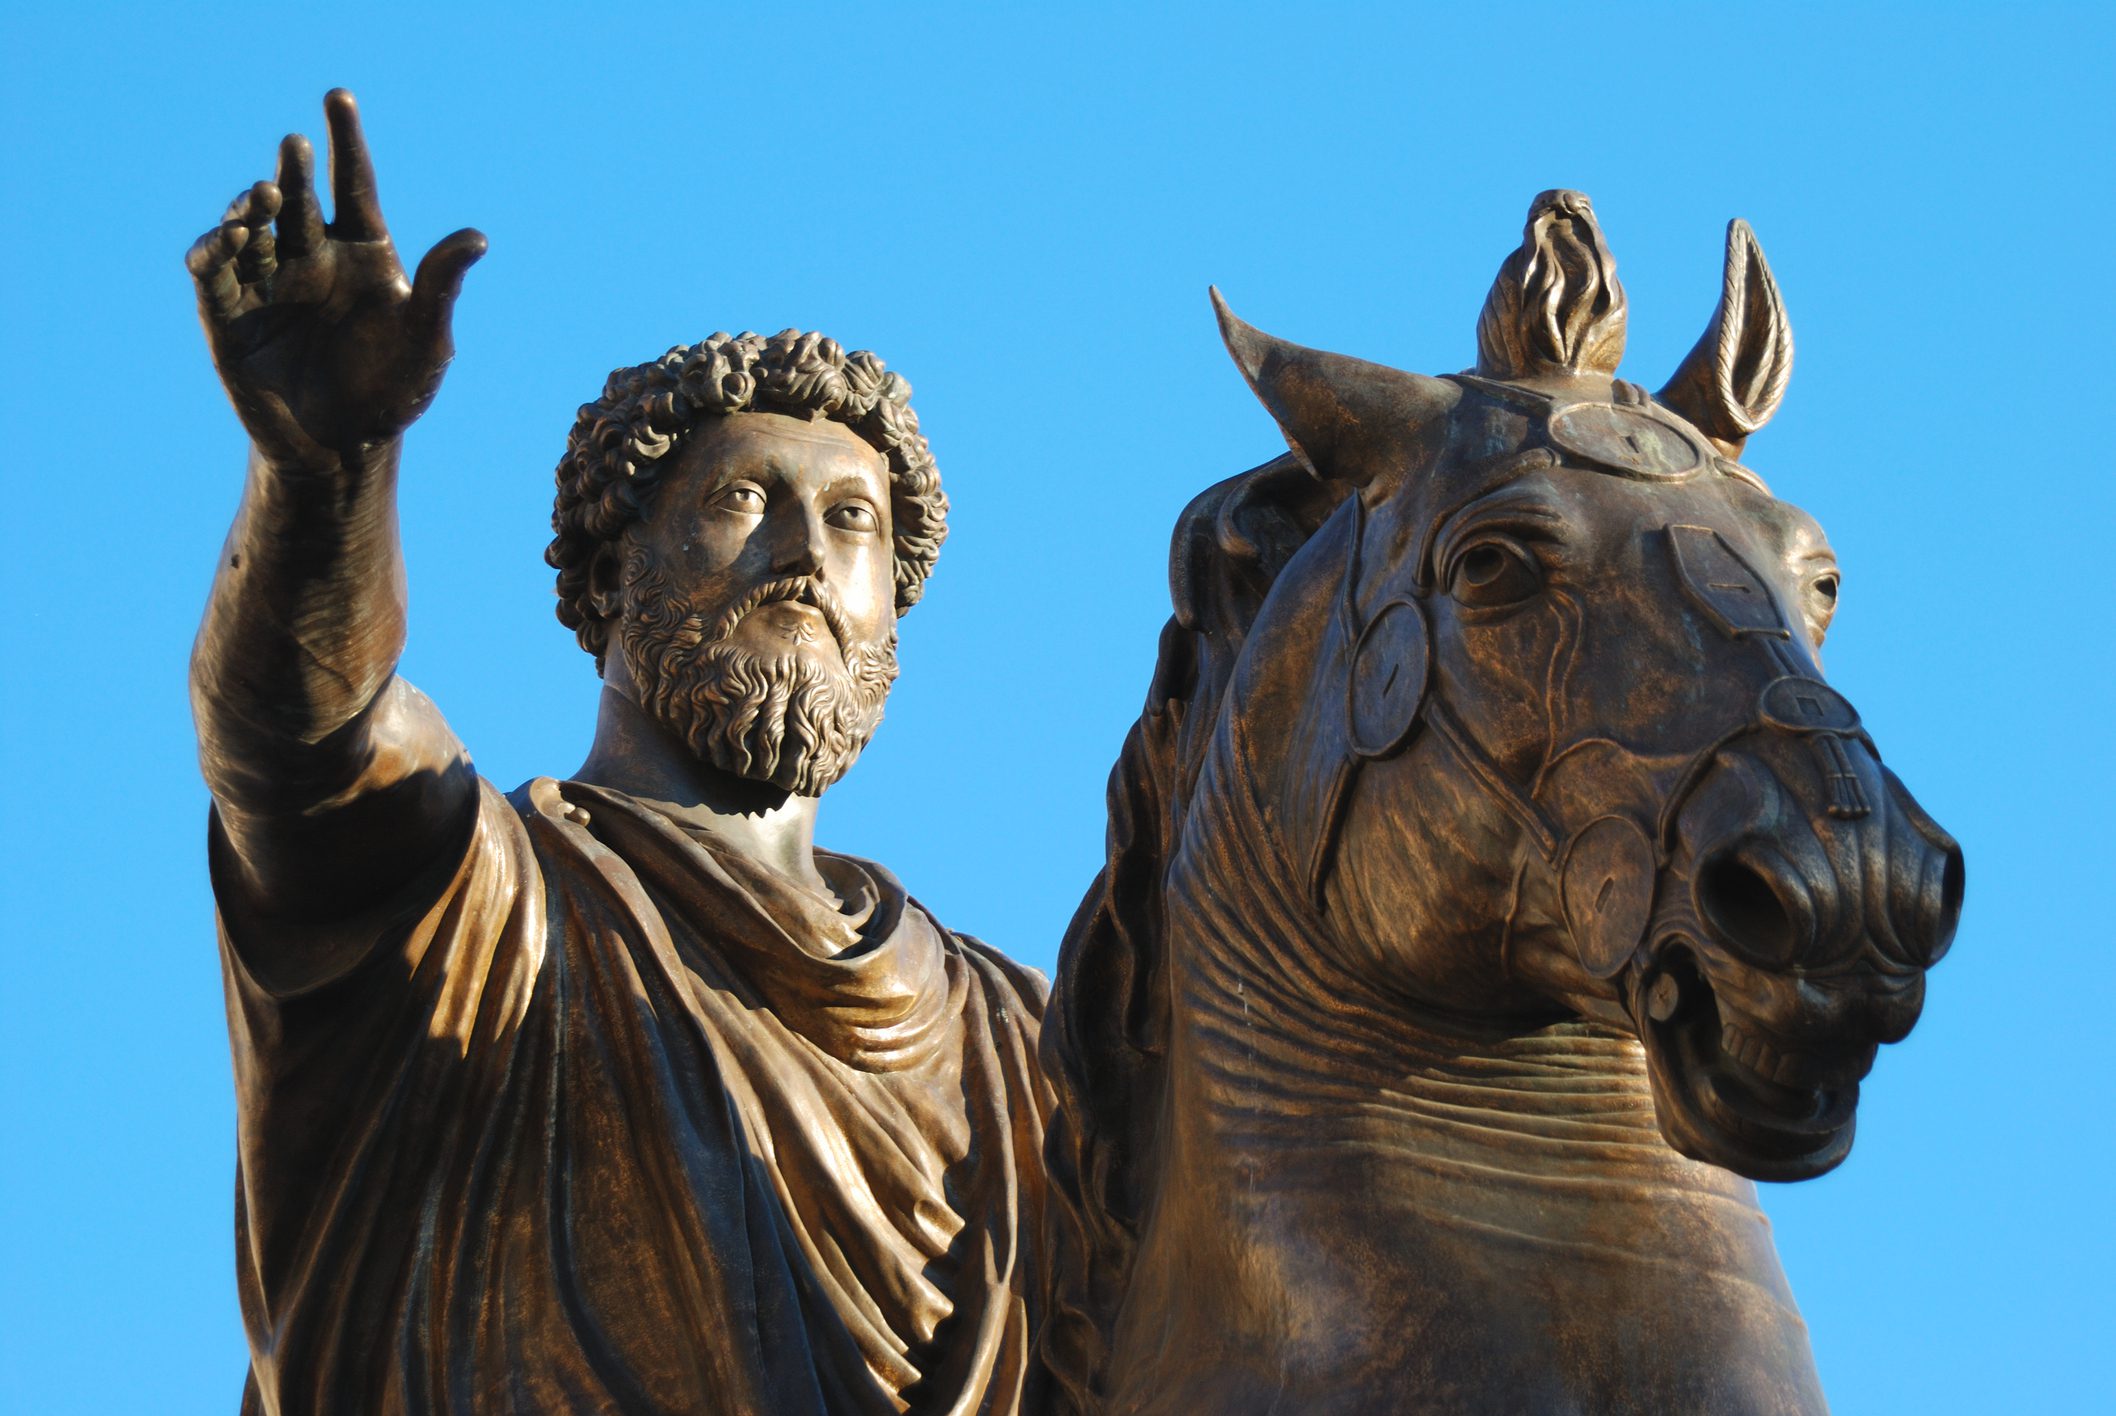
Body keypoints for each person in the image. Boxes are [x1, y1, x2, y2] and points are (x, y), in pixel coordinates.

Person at [187, 90, 1051, 1416]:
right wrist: (325, 481)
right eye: (743, 498)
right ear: (610, 572)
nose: (804, 554)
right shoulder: (470, 894)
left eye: (853, 521)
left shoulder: (1022, 1038)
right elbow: (303, 745)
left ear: (897, 605)